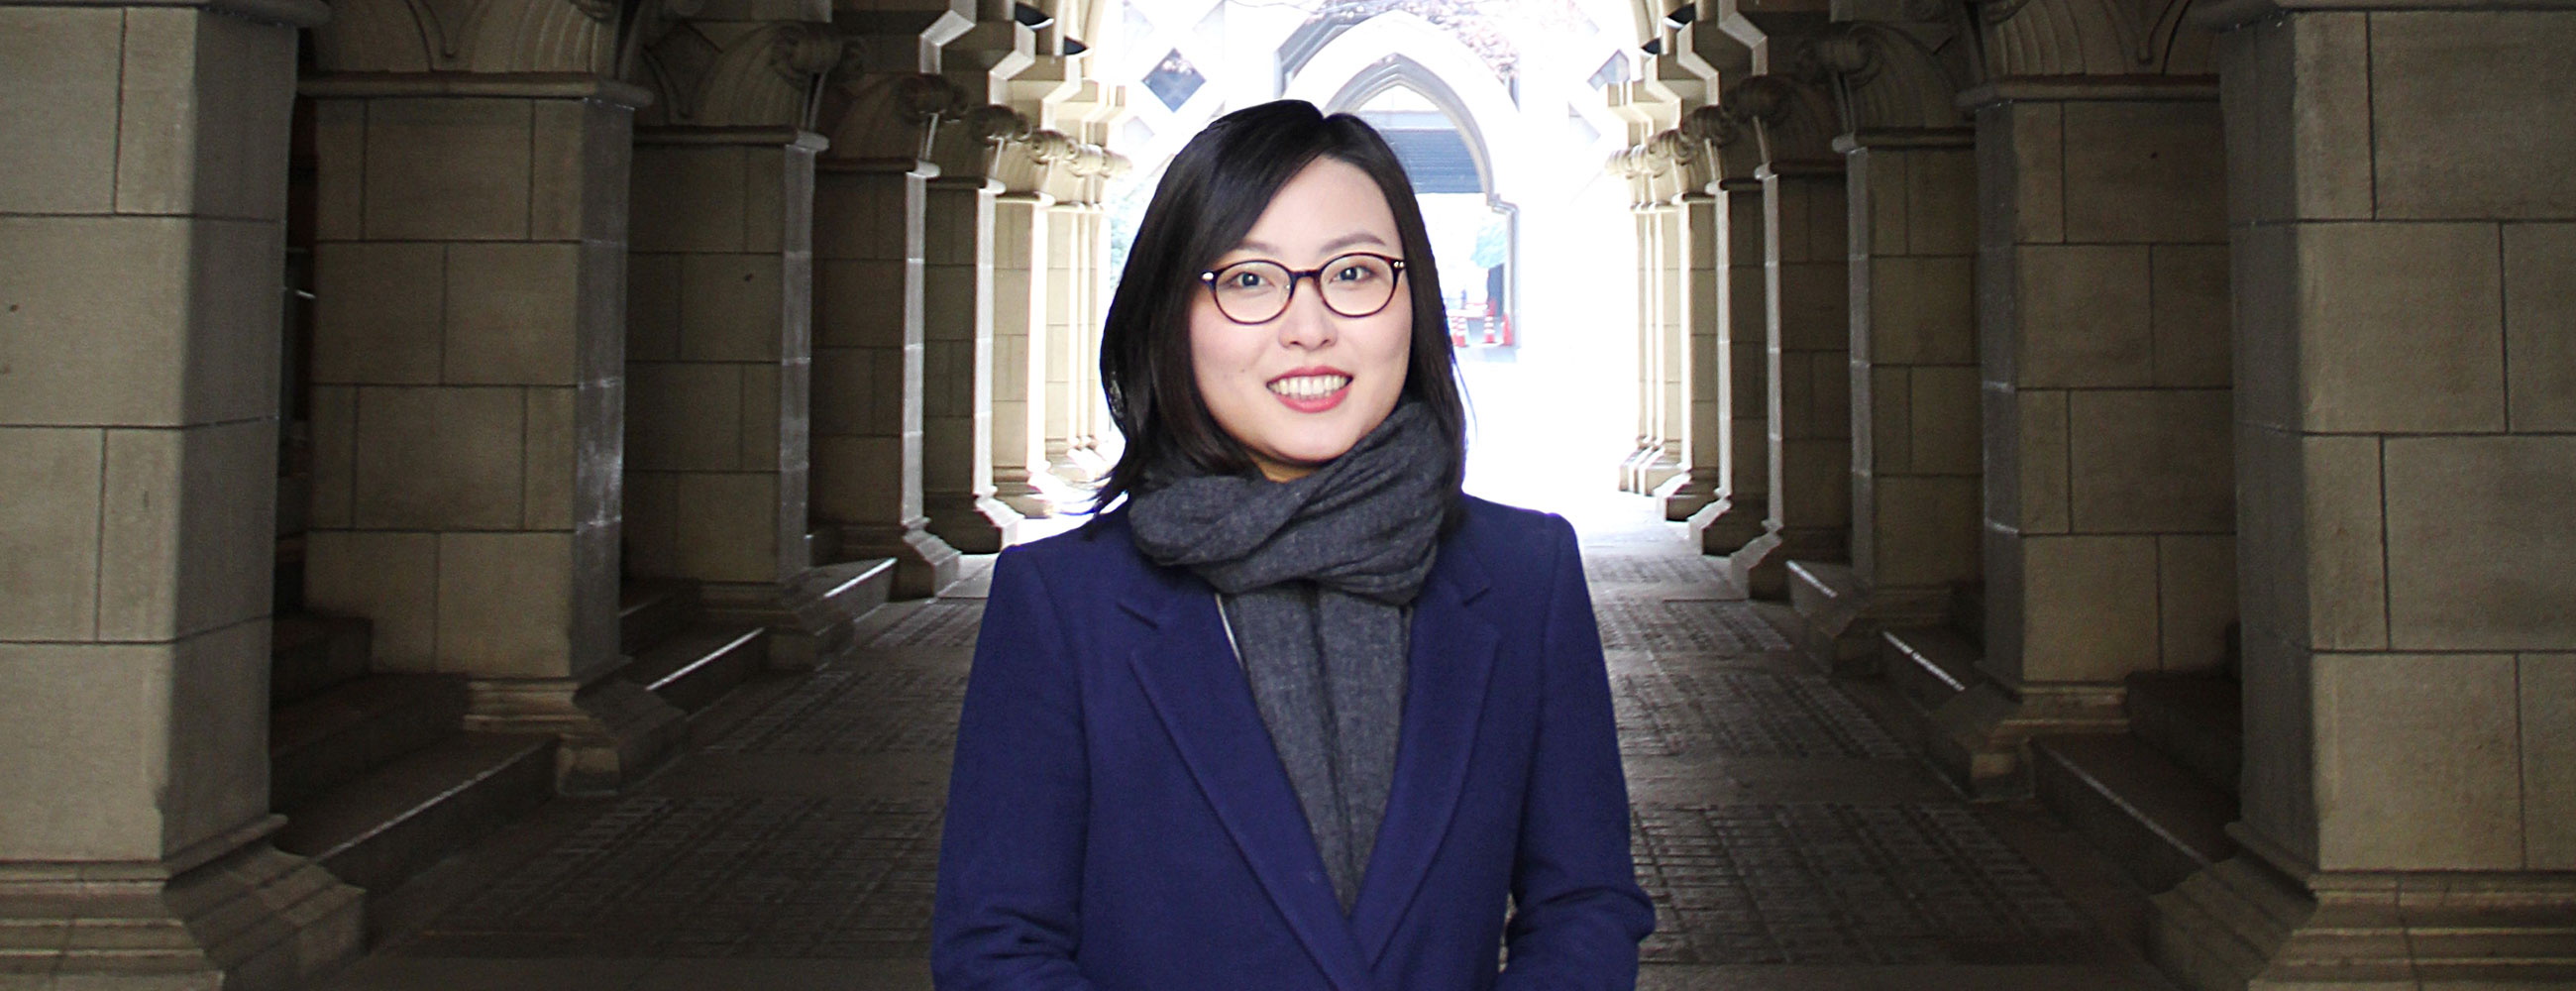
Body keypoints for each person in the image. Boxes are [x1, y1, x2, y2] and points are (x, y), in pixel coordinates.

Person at [930, 99, 1654, 991]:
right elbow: (1000, 945)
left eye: (1353, 274)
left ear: (1413, 300)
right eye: (1248, 280)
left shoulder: (1523, 576)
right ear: (1172, 315)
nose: (1310, 326)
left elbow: (1584, 905)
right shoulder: (1061, 603)